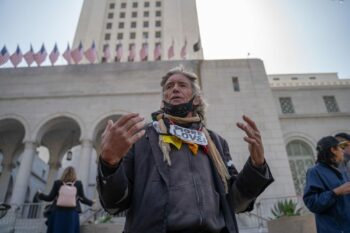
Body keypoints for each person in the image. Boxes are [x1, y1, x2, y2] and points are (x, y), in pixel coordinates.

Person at [97, 65, 274, 233]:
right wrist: (109, 164)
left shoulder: (216, 142)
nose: (175, 89)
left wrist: (256, 166)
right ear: (162, 100)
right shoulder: (141, 138)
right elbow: (115, 203)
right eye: (169, 86)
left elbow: (235, 202)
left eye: (182, 85)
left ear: (196, 99)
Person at [303, 136, 350, 233]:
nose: (343, 151)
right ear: (333, 149)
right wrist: (335, 192)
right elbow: (311, 203)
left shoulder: (343, 170)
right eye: (341, 148)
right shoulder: (314, 172)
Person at [38, 166, 94, 233]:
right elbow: (83, 198)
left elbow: (50, 198)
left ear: (64, 173)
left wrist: (40, 195)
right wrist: (92, 203)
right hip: (72, 213)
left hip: (57, 213)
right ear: (74, 174)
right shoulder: (78, 184)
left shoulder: (57, 183)